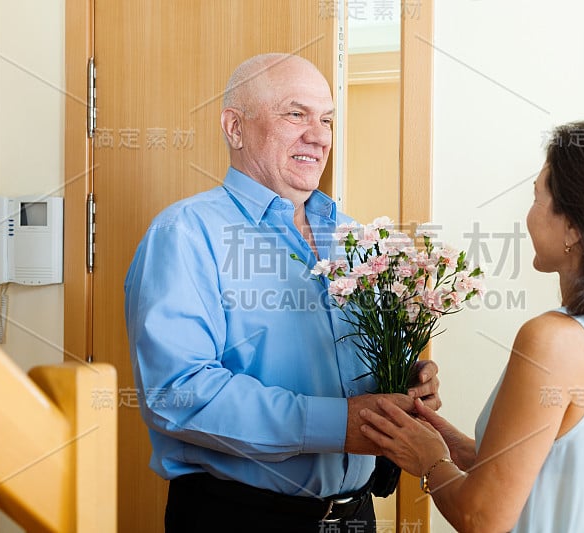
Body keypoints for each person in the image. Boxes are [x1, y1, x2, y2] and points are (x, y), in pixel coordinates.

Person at [124, 53, 441, 533]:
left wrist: (405, 382)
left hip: (356, 516)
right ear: (235, 128)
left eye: (327, 119)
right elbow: (179, 392)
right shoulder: (185, 234)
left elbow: (357, 373)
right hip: (238, 518)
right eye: (296, 114)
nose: (318, 135)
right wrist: (340, 423)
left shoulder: (358, 240)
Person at [358, 120, 584, 532]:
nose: (528, 214)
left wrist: (429, 462)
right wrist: (442, 441)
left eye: (538, 196)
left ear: (576, 225)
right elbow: (547, 470)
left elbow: (482, 516)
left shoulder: (555, 341)